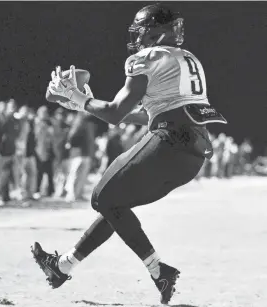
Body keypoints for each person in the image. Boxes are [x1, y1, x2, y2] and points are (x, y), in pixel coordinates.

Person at [31, 4, 227, 305]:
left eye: (141, 31)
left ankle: (158, 270)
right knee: (115, 204)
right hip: (194, 152)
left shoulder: (146, 58)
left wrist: (75, 97)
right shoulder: (188, 59)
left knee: (102, 198)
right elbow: (142, 113)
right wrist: (85, 103)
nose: (138, 38)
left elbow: (114, 113)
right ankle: (62, 267)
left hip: (169, 140)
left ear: (154, 30)